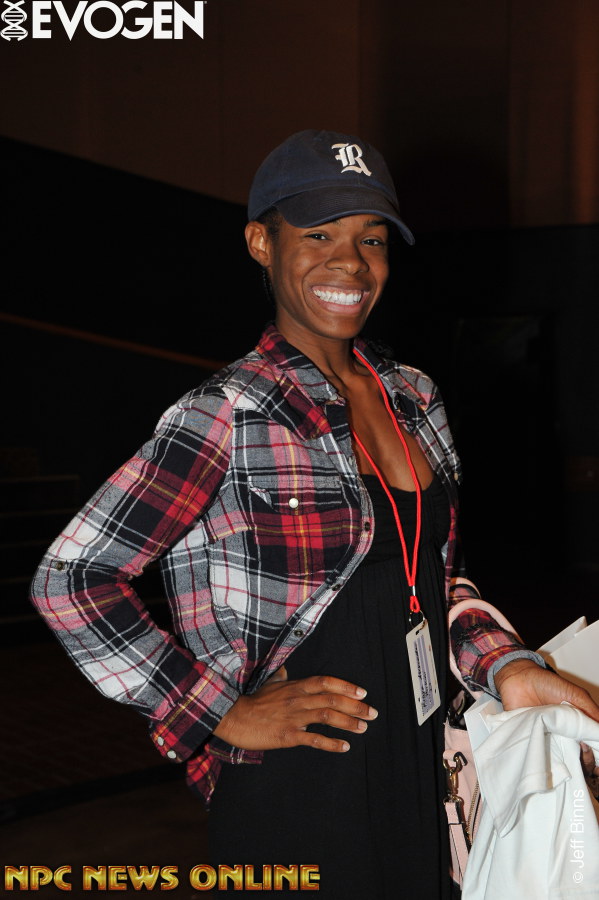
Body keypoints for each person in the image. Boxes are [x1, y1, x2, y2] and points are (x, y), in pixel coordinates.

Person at [31, 129, 599, 898]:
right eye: (318, 234)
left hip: (423, 757)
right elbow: (72, 577)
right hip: (299, 782)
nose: (350, 262)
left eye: (371, 239)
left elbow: (436, 579)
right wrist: (219, 711)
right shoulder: (228, 411)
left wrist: (504, 665)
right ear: (261, 244)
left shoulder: (414, 396)